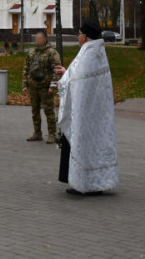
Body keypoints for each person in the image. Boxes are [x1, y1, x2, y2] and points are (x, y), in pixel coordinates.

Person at [55, 20, 118, 196]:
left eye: (79, 34)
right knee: (95, 145)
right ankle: (96, 183)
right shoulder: (96, 52)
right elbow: (79, 77)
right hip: (97, 114)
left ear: (84, 36)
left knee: (81, 144)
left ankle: (83, 183)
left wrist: (62, 83)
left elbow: (78, 82)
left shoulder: (89, 54)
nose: (78, 37)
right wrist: (66, 73)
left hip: (83, 114)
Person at [22, 30, 62, 144]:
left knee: (48, 111)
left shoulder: (52, 53)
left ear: (45, 39)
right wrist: (25, 84)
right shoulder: (32, 53)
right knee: (35, 111)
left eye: (39, 38)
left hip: (45, 87)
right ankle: (37, 133)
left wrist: (52, 86)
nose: (37, 40)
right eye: (36, 38)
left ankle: (52, 134)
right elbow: (26, 69)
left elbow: (57, 70)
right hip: (33, 86)